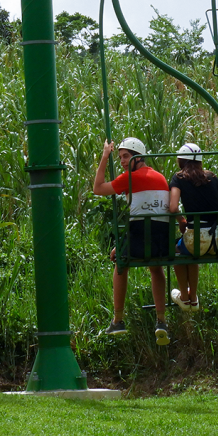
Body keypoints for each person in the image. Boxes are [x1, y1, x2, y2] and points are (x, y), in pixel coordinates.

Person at [93, 137, 174, 346]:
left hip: (139, 239)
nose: (121, 161)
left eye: (125, 156)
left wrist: (104, 157)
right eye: (119, 157)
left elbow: (98, 188)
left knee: (120, 263)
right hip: (163, 242)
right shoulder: (161, 177)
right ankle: (161, 320)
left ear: (138, 158)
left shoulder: (129, 177)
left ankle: (118, 320)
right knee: (156, 268)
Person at [169, 142, 218, 312]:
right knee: (191, 251)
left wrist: (182, 221)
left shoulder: (179, 178)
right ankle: (193, 296)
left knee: (178, 251)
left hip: (196, 242)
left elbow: (173, 207)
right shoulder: (211, 177)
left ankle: (185, 296)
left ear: (181, 161)